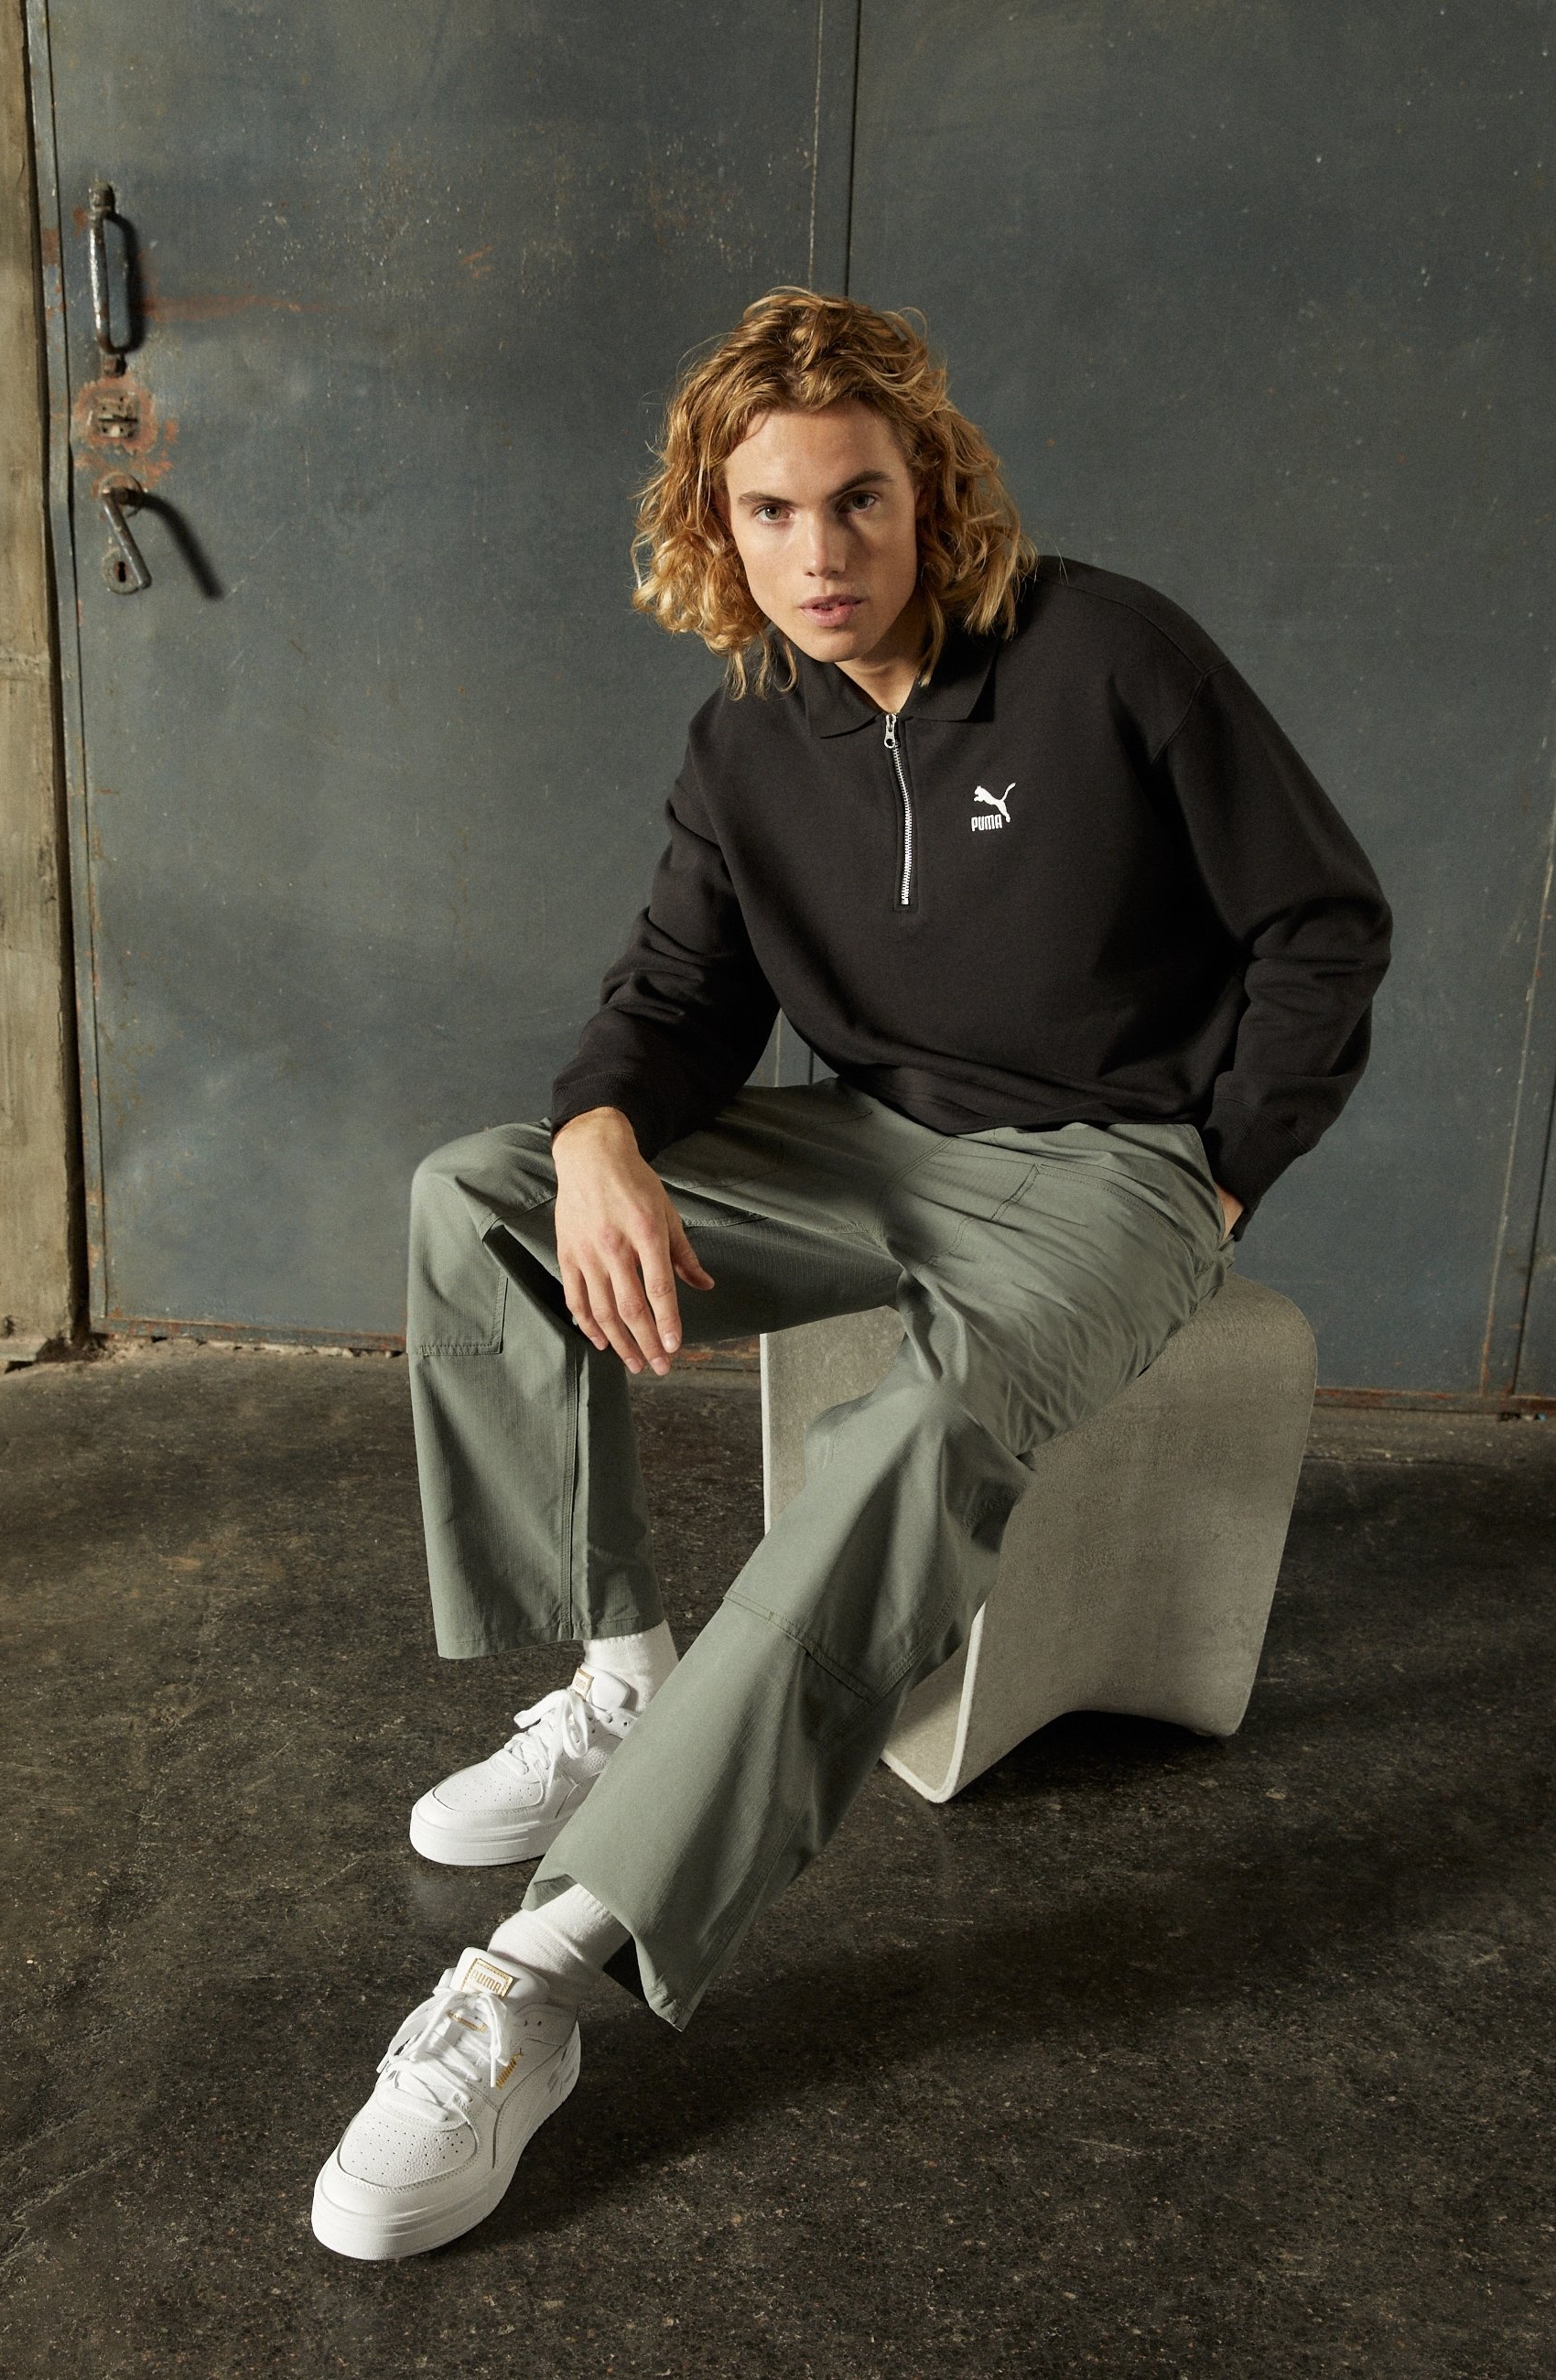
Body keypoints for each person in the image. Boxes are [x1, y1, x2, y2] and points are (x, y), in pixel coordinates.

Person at [310, 287, 1393, 2261]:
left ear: (931, 492)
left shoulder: (1109, 653)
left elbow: (1320, 921)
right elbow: (675, 995)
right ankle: (620, 1680)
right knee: (476, 1195)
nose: (820, 553)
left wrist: (1225, 1168)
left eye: (859, 500)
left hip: (1110, 1170)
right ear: (713, 526)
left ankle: (532, 1984)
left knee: (916, 1435)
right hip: (872, 1144)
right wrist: (596, 1130)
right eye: (771, 511)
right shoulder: (749, 732)